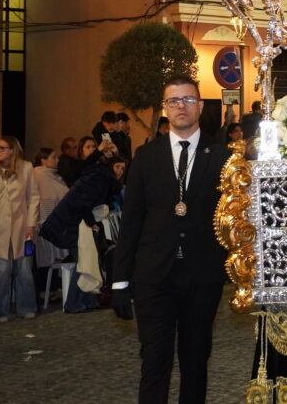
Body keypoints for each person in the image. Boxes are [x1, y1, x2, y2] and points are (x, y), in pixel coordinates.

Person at [112, 74, 231, 404]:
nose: (181, 106)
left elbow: (233, 219)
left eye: (188, 99)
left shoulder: (222, 157)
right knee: (154, 361)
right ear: (165, 108)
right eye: (174, 100)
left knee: (196, 360)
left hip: (202, 275)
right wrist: (120, 281)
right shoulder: (146, 156)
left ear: (200, 106)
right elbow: (131, 221)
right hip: (154, 276)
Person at [41, 145, 123, 314]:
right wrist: (91, 223)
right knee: (84, 262)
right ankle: (73, 304)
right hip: (66, 225)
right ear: (109, 166)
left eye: (123, 168)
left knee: (89, 260)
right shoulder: (98, 178)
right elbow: (83, 204)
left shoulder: (100, 177)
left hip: (71, 224)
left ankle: (88, 301)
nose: (120, 171)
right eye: (117, 166)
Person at [0, 136, 40, 322]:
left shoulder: (26, 168)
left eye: (2, 148)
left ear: (13, 149)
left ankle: (26, 307)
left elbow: (33, 197)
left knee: (24, 270)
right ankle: (0, 312)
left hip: (22, 226)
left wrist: (31, 223)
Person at [33, 148, 69, 272]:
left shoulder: (55, 176)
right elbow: (44, 201)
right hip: (47, 223)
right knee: (49, 258)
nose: (57, 160)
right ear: (43, 160)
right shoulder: (38, 175)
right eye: (54, 157)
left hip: (59, 221)